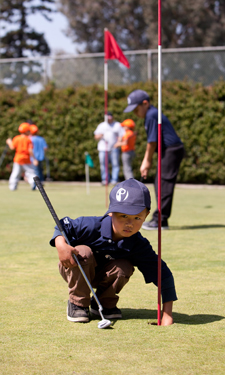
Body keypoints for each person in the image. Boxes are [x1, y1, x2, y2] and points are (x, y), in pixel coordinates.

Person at [49, 178, 177, 326]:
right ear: (111, 212)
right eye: (123, 216)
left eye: (137, 218)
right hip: (75, 269)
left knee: (124, 266)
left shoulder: (138, 245)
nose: (130, 223)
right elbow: (63, 225)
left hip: (103, 276)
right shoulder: (91, 225)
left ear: (146, 215)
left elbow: (163, 275)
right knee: (83, 252)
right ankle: (78, 303)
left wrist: (167, 314)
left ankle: (102, 303)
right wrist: (61, 245)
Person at [124, 90, 185, 230]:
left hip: (172, 150)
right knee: (159, 183)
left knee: (163, 184)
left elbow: (152, 142)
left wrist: (146, 161)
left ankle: (161, 221)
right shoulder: (150, 115)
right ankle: (159, 219)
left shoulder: (152, 115)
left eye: (136, 109)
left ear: (145, 103)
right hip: (167, 150)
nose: (135, 113)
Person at [94, 111, 123, 185]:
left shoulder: (117, 125)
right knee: (104, 164)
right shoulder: (101, 125)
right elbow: (96, 136)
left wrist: (118, 143)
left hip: (114, 148)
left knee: (115, 164)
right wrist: (100, 135)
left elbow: (121, 135)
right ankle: (105, 180)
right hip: (103, 148)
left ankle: (114, 180)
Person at [6, 122, 36, 191]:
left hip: (18, 159)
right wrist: (34, 159)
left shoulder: (17, 138)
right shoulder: (28, 139)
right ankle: (34, 184)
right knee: (31, 173)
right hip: (26, 159)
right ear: (26, 131)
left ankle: (12, 186)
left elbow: (12, 147)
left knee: (15, 173)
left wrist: (9, 142)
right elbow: (30, 150)